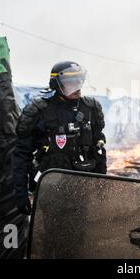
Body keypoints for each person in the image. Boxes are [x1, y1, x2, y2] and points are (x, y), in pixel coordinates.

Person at [13, 61, 107, 214]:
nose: (77, 88)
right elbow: (22, 155)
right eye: (71, 83)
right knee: (53, 232)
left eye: (79, 82)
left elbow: (99, 147)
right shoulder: (39, 111)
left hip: (83, 186)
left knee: (81, 232)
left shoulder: (91, 108)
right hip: (50, 188)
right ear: (57, 85)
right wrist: (21, 194)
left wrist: (102, 185)